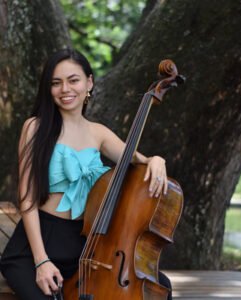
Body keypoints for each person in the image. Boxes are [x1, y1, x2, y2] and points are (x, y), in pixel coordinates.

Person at [0, 48, 172, 300]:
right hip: (37, 244)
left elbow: (139, 160)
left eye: (73, 80)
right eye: (56, 83)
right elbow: (27, 198)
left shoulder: (98, 133)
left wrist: (157, 160)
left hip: (85, 244)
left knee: (159, 284)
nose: (65, 89)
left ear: (89, 82)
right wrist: (41, 262)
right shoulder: (35, 127)